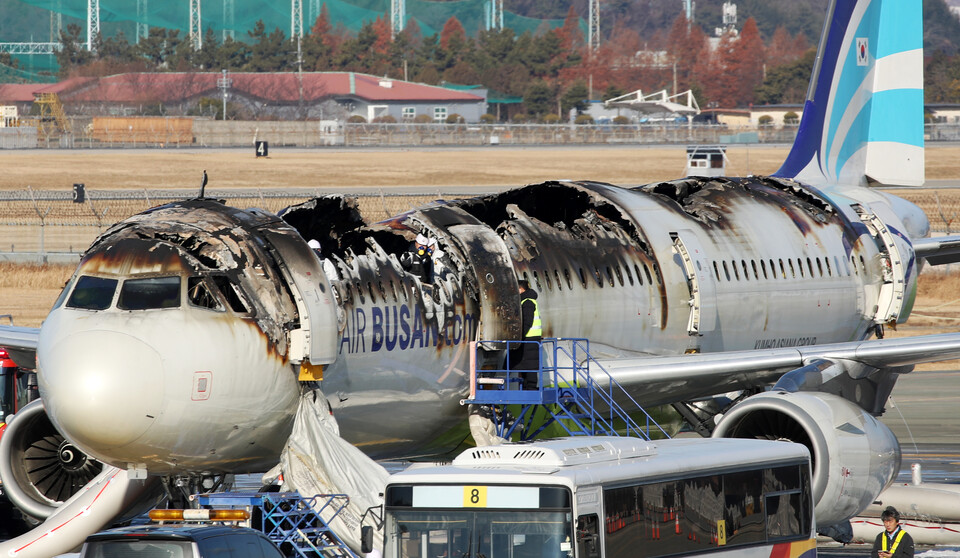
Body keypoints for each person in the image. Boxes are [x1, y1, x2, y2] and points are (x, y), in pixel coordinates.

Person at [510, 279, 543, 390]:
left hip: (529, 338)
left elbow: (527, 322)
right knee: (526, 363)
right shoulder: (526, 301)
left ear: (521, 289)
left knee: (530, 364)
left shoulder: (527, 302)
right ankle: (527, 386)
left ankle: (531, 387)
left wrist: (519, 336)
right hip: (530, 338)